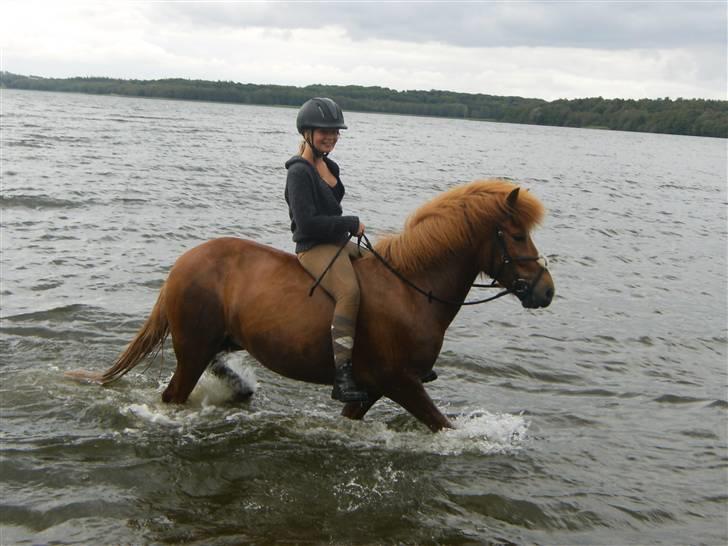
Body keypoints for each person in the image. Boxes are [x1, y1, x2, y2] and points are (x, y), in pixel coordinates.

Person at [284, 97, 369, 403]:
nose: (331, 137)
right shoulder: (299, 172)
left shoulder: (329, 164)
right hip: (313, 247)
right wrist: (349, 222)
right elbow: (306, 225)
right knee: (350, 293)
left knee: (381, 269)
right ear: (307, 132)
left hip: (335, 242)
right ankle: (343, 375)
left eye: (335, 132)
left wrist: (345, 226)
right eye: (324, 132)